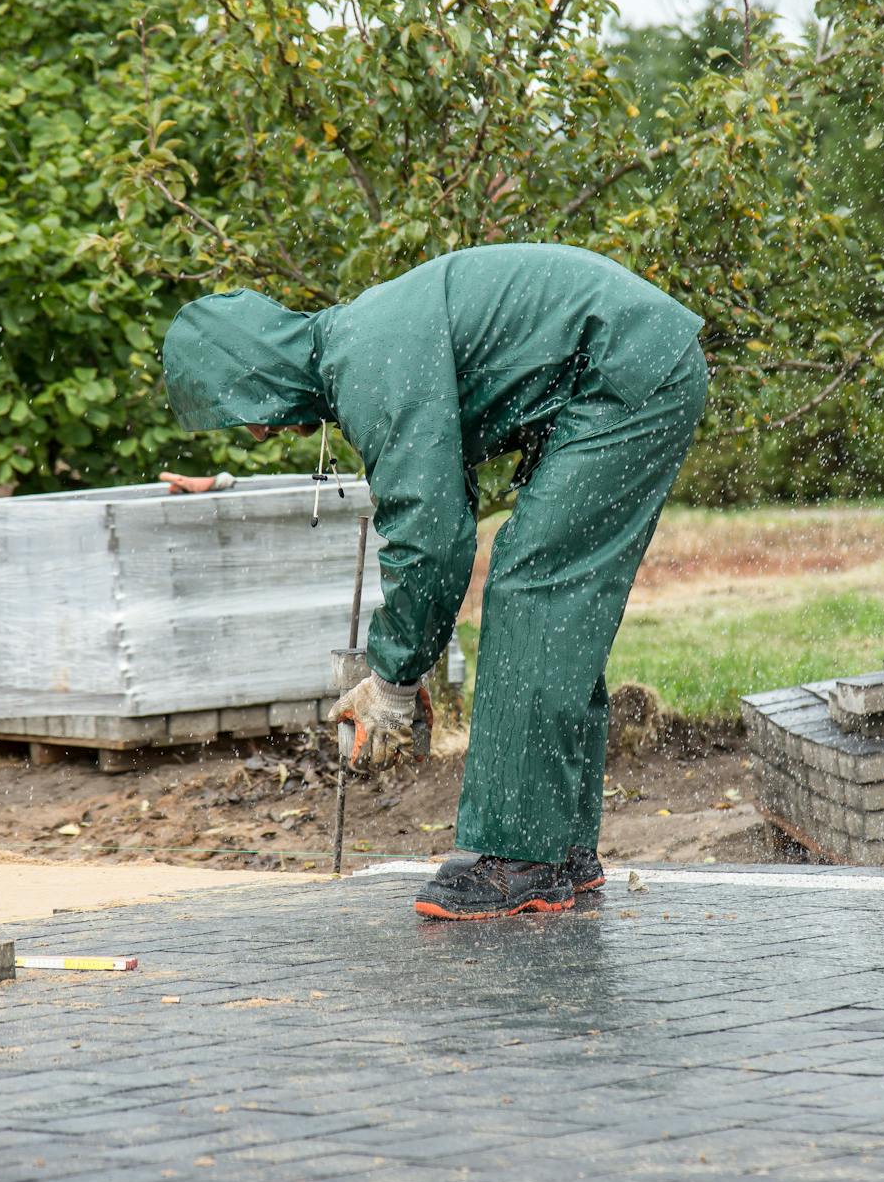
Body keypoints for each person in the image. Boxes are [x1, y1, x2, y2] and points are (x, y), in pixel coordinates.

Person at [162, 243, 707, 920]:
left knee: (534, 588)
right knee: (551, 598)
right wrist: (408, 662)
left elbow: (430, 538)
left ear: (255, 374)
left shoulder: (365, 364)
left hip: (628, 371)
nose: (255, 429)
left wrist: (393, 677)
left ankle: (517, 857)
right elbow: (444, 504)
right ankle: (559, 846)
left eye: (241, 409)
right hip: (635, 361)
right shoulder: (359, 345)